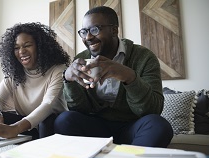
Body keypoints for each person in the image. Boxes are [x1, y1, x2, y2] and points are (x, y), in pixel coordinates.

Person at [55, 6, 173, 147]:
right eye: (84, 32)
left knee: (159, 125)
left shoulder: (143, 57)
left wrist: (129, 77)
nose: (88, 37)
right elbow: (79, 109)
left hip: (132, 127)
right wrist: (68, 80)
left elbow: (152, 110)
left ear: (114, 30)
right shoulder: (81, 59)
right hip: (96, 128)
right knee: (64, 120)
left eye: (95, 30)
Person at [0, 22, 70, 140]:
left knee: (46, 120)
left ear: (40, 46)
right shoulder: (15, 74)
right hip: (28, 125)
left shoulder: (58, 70)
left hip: (51, 127)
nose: (21, 51)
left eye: (27, 45)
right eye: (16, 48)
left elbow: (48, 105)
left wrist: (15, 128)